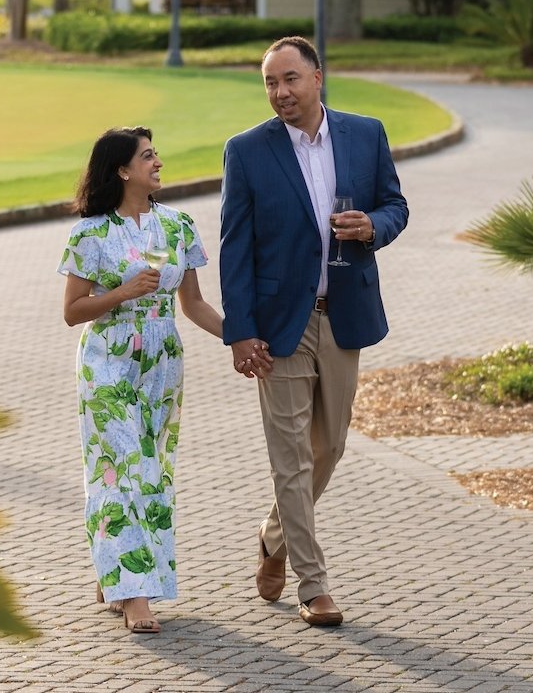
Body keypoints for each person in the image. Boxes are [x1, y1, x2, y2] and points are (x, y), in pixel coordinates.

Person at [219, 37, 409, 628]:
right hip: (280, 327)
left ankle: (272, 538)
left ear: (318, 77)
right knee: (291, 456)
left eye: (291, 79)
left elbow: (396, 206)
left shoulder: (366, 134)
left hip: (343, 313)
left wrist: (370, 226)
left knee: (330, 445)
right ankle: (313, 583)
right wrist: (240, 331)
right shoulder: (247, 151)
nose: (281, 93)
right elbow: (234, 248)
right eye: (271, 83)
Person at [60, 126, 236, 635]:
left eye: (157, 154)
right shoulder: (89, 233)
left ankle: (113, 572)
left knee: (153, 470)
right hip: (107, 362)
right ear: (121, 170)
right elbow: (73, 311)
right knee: (121, 468)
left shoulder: (178, 227)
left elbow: (195, 305)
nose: (158, 162)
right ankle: (135, 594)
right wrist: (121, 292)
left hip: (162, 364)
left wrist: (242, 340)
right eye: (147, 156)